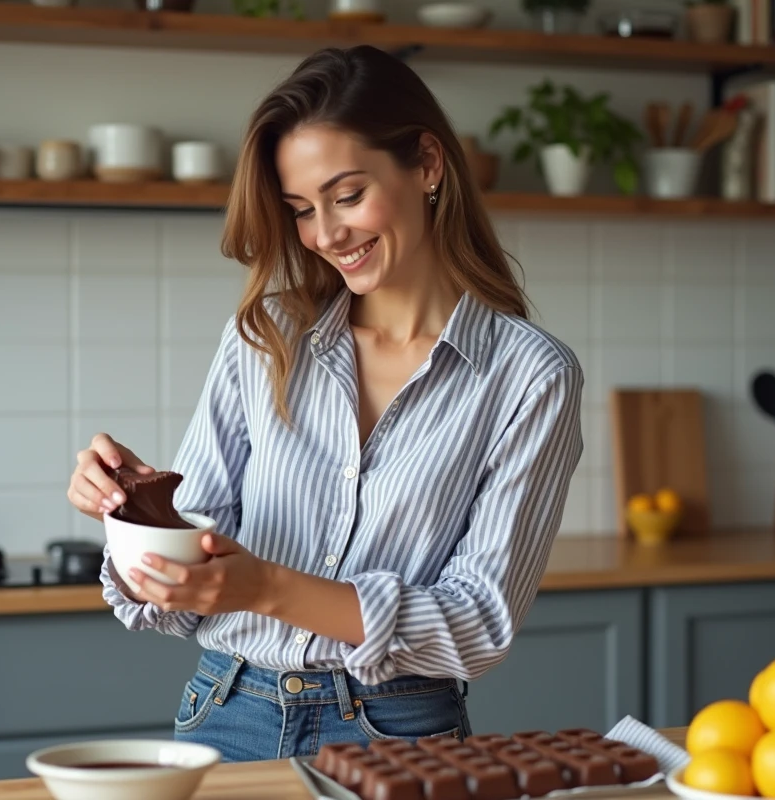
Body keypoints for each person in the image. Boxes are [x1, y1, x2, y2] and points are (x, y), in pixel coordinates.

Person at [66, 44, 584, 763]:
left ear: (428, 164)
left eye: (346, 195)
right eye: (302, 210)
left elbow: (479, 623)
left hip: (400, 733)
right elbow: (186, 576)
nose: (326, 235)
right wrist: (132, 515)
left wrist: (269, 587)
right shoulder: (266, 337)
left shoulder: (529, 375)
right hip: (227, 713)